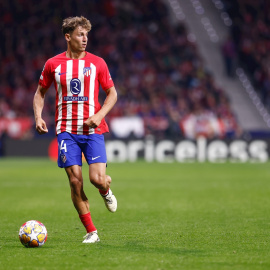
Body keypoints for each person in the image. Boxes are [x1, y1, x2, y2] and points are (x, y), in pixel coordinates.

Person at [33, 16, 118, 243]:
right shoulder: (53, 64)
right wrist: (38, 116)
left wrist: (98, 115)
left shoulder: (97, 63)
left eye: (87, 35)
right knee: (74, 181)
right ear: (68, 37)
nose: (85, 39)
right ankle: (92, 231)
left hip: (93, 130)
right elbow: (40, 92)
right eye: (80, 35)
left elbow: (112, 93)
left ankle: (105, 190)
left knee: (97, 179)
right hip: (66, 131)